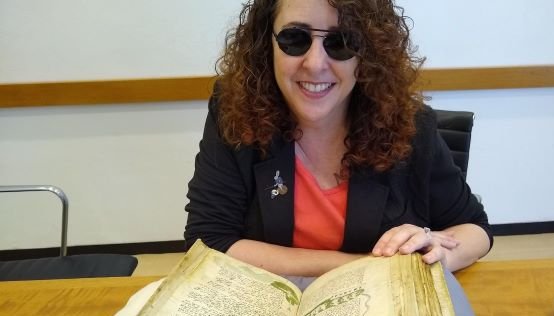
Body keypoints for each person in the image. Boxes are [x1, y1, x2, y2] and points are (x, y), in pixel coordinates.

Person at [184, 0, 492, 279]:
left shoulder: (409, 123)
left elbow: (474, 229)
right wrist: (358, 266)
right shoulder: (235, 110)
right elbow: (209, 241)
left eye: (341, 42)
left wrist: (437, 254)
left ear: (368, 52)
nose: (316, 63)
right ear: (267, 43)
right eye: (295, 39)